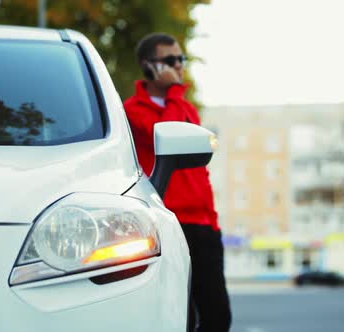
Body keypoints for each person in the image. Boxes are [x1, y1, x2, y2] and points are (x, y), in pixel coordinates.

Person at [123, 32, 232, 332]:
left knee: (217, 316)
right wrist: (173, 93)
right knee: (181, 317)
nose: (179, 66)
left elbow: (198, 168)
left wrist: (212, 219)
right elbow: (165, 134)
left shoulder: (184, 106)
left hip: (203, 225)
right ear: (149, 67)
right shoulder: (133, 110)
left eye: (181, 59)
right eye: (170, 60)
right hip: (170, 224)